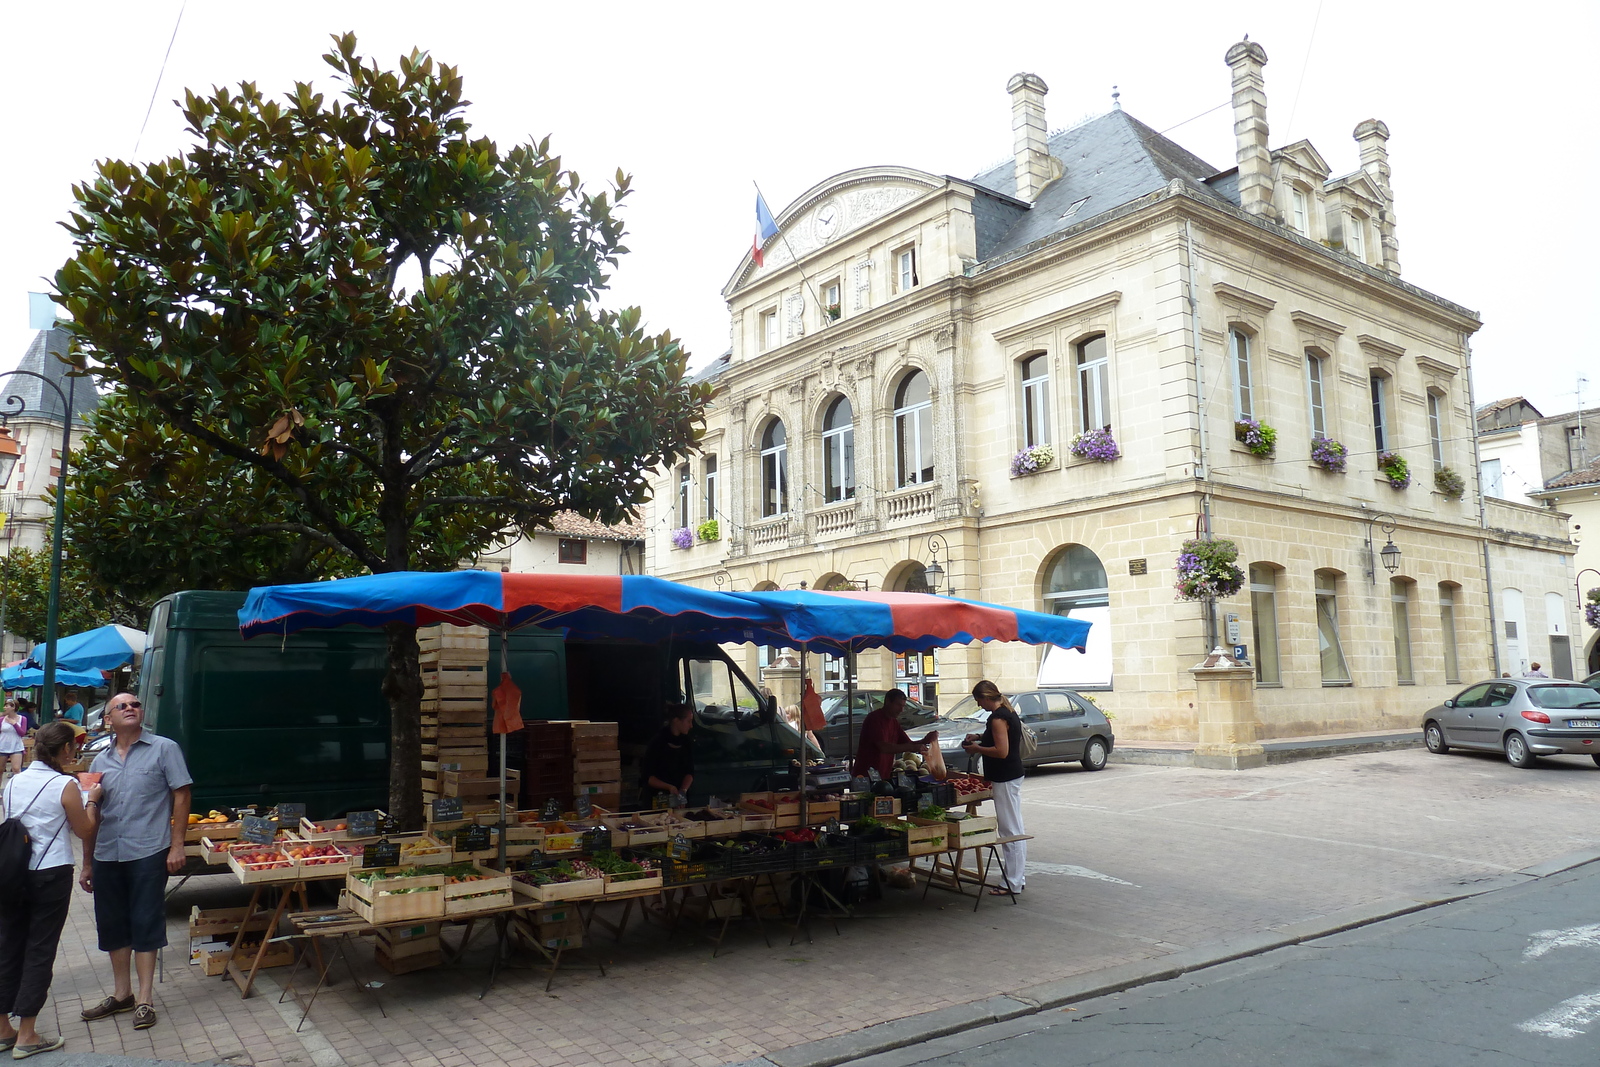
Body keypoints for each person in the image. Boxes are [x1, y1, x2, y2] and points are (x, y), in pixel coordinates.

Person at [79, 694, 191, 1033]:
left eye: (135, 704)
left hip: (148, 850)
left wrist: (176, 846)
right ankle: (122, 994)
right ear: (108, 719)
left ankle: (145, 999)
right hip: (106, 853)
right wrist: (86, 863)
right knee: (112, 924)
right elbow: (90, 815)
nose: (131, 708)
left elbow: (182, 793)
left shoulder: (163, 748)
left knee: (145, 921)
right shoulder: (100, 759)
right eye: (122, 706)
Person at [0, 721, 103, 1058]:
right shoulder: (65, 785)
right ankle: (27, 1034)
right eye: (73, 747)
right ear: (65, 750)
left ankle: (3, 1029)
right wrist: (93, 800)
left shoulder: (13, 782)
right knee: (40, 950)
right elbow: (84, 830)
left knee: (8, 946)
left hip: (14, 874)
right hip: (50, 873)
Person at [962, 680, 1026, 896]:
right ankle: (1017, 878)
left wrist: (977, 748)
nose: (979, 706)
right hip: (1011, 776)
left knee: (1009, 830)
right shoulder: (1007, 711)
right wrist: (980, 737)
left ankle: (1012, 882)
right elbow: (1001, 739)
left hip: (1005, 777)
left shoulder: (998, 717)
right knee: (1014, 826)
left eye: (979, 701)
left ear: (987, 697)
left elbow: (1002, 751)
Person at [850, 689, 933, 780]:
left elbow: (909, 744)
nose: (901, 710)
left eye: (903, 706)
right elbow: (884, 747)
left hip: (882, 776)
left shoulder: (894, 722)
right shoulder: (874, 719)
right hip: (865, 776)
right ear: (888, 701)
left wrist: (926, 740)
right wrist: (913, 747)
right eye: (898, 705)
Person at [639, 704, 695, 806]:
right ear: (676, 720)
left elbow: (690, 772)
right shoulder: (657, 742)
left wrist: (682, 792)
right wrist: (669, 787)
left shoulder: (686, 742)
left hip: (678, 799)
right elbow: (648, 777)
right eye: (688, 721)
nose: (691, 725)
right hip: (657, 799)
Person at [0, 699, 26, 779]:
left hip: (16, 746)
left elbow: (22, 733)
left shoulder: (22, 718)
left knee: (16, 769)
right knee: (0, 770)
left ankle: (17, 788)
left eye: (7, 706)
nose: (5, 708)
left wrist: (14, 724)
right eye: (5, 705)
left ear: (13, 707)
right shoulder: (2, 719)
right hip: (2, 746)